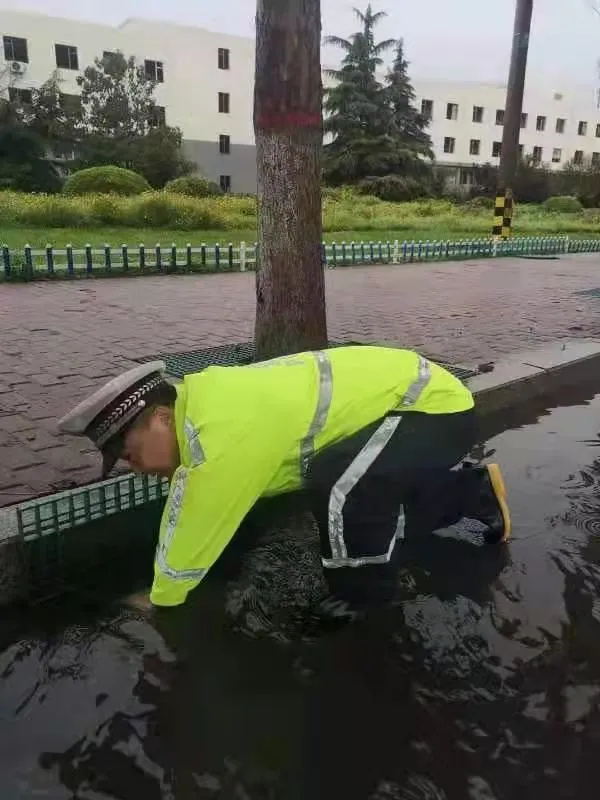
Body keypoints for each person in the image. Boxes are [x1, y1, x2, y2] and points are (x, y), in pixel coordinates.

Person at [57, 346, 511, 611]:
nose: (135, 470)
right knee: (358, 496)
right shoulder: (199, 406)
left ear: (160, 418)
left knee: (340, 488)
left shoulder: (221, 433)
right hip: (418, 408)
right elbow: (196, 502)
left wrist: (160, 601)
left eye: (131, 456)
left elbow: (194, 519)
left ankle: (364, 603)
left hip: (436, 409)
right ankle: (472, 495)